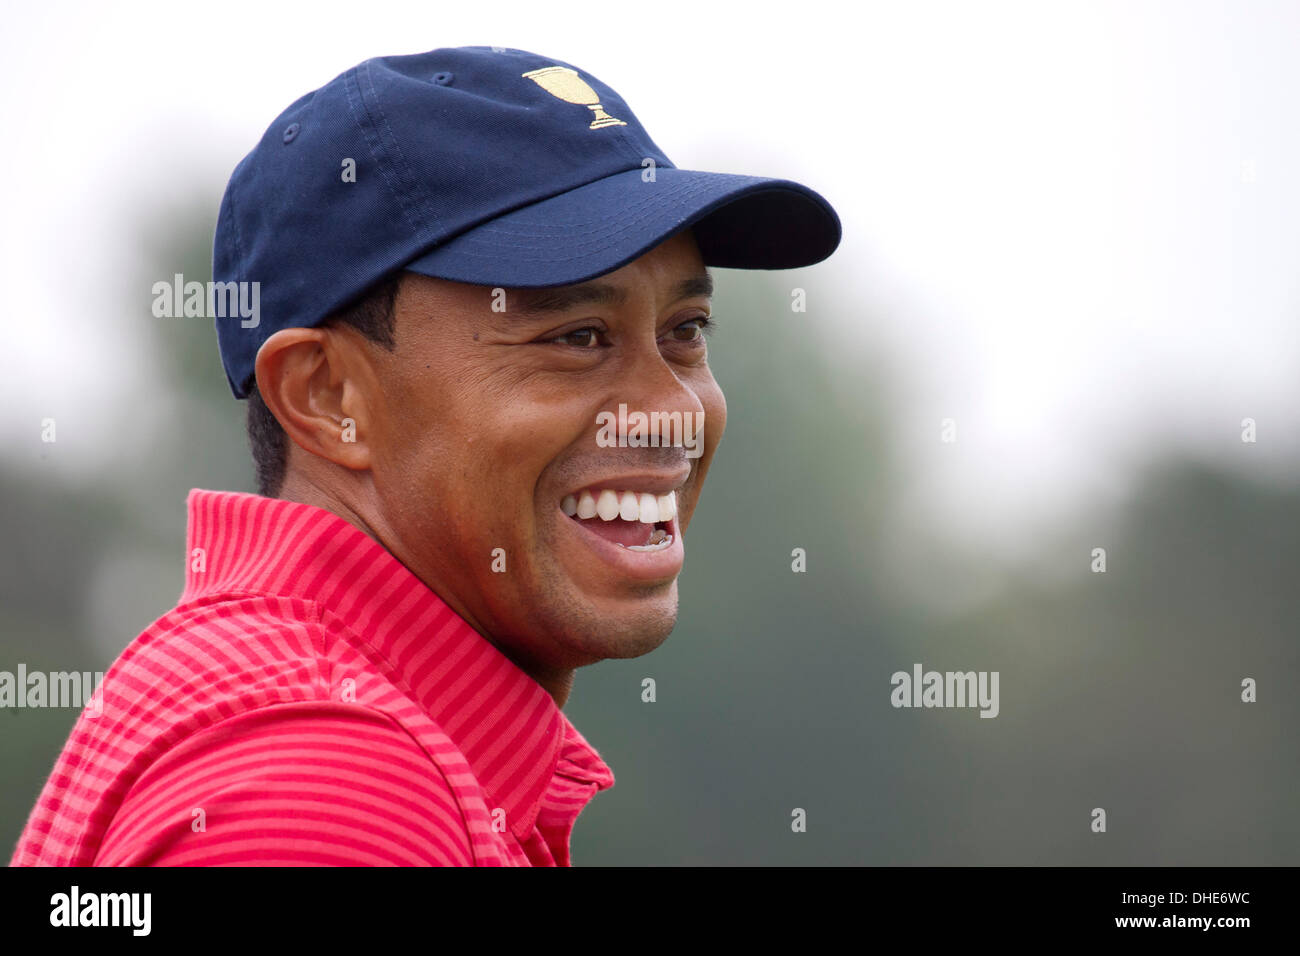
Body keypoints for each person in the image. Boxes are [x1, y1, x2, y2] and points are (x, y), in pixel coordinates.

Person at [11, 45, 840, 866]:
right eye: (577, 337)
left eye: (684, 333)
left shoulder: (312, 721)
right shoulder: (328, 791)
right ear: (329, 395)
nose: (670, 412)